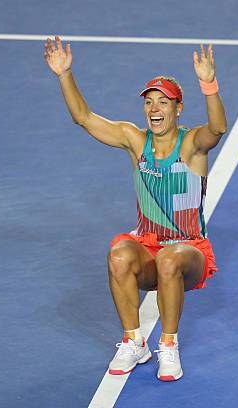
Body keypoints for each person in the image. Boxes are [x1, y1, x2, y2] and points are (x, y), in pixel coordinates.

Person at [43, 36, 227, 381]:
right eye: (150, 102)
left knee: (169, 258)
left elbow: (217, 128)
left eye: (164, 102)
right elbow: (83, 117)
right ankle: (134, 341)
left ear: (178, 109)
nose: (155, 108)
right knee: (118, 255)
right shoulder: (134, 140)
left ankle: (168, 347)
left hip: (189, 252)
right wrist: (64, 74)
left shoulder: (191, 145)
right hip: (147, 247)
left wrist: (208, 83)